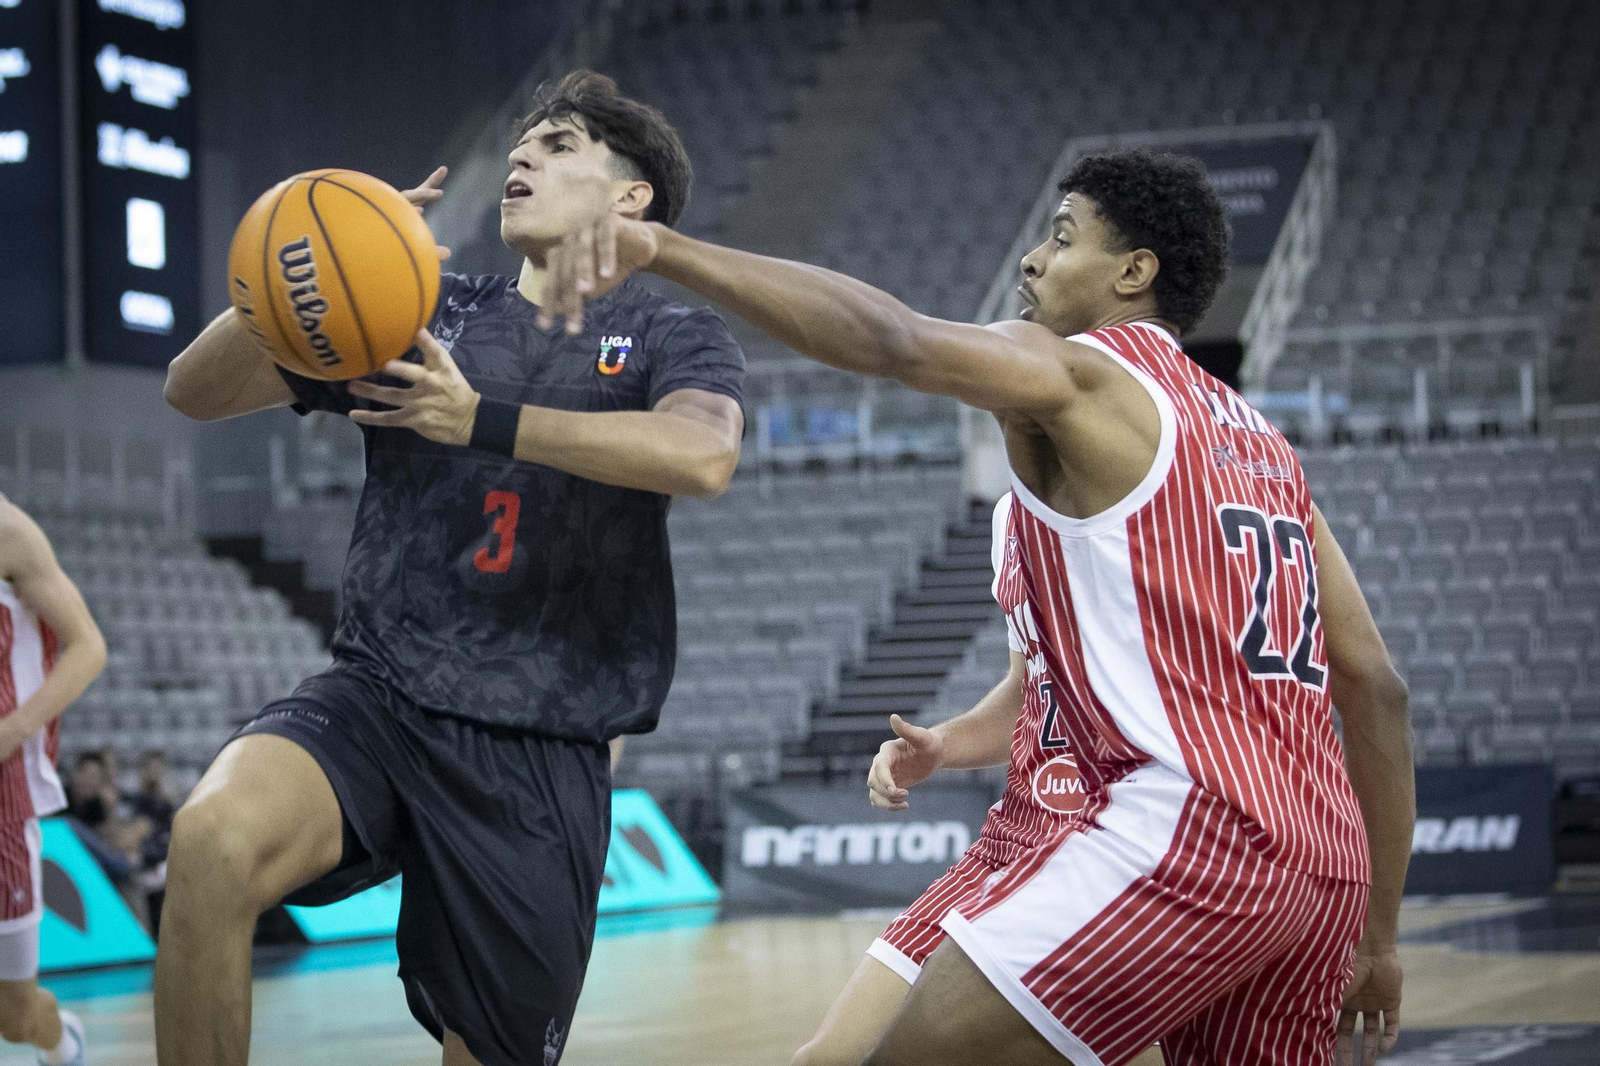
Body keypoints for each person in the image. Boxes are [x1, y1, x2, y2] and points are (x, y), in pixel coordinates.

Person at [539, 148, 1416, 1066]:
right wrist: (1382, 939)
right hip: (1323, 865)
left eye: (1063, 237)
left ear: (1133, 272)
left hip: (1190, 840)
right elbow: (1377, 689)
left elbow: (895, 341)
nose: (1034, 260)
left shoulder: (1080, 375)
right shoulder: (1265, 448)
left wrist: (662, 248)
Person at [156, 70, 744, 1066]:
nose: (522, 156)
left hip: (540, 742)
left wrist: (481, 420)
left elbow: (701, 455)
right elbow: (192, 391)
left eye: (558, 145)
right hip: (380, 697)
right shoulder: (421, 314)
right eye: (522, 143)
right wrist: (311, 266)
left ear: (629, 197)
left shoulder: (670, 335)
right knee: (211, 841)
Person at [0, 494, 108, 1066]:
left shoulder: (10, 530)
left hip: (2, 797)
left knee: (15, 1017)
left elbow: (89, 646)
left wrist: (13, 729)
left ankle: (60, 1042)